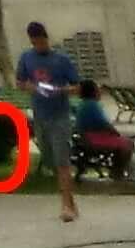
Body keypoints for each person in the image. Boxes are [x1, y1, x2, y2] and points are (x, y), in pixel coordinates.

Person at [15, 19, 88, 223]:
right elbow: (20, 82)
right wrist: (29, 87)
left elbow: (78, 86)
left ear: (46, 39)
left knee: (62, 160)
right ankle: (70, 201)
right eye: (35, 42)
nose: (39, 46)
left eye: (41, 42)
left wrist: (61, 90)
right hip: (40, 114)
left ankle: (66, 205)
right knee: (50, 159)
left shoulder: (61, 60)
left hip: (60, 115)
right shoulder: (27, 58)